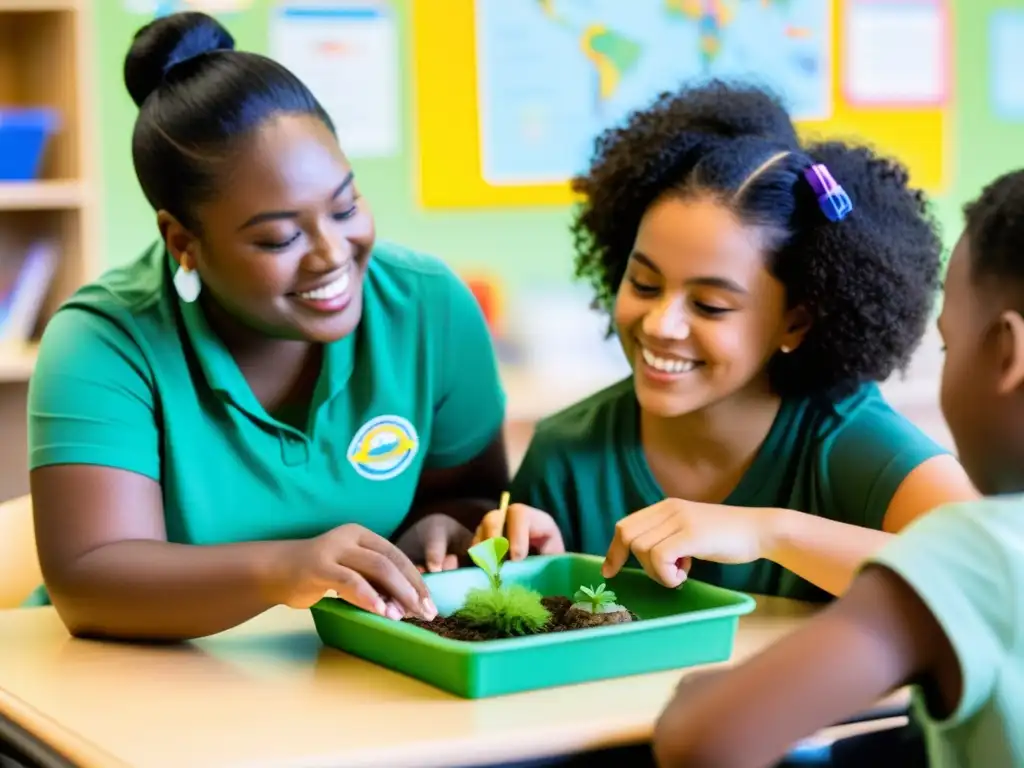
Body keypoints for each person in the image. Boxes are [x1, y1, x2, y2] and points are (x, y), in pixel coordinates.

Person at [25, 12, 508, 641]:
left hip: (351, 675)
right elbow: (89, 581)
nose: (333, 253)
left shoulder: (427, 306)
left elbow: (470, 497)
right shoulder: (104, 342)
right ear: (183, 240)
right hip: (134, 686)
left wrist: (444, 527)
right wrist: (286, 568)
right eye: (280, 237)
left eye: (345, 206)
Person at [474, 81, 976, 600]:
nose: (660, 324)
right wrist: (544, 571)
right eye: (644, 284)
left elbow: (994, 573)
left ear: (796, 323)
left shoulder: (850, 443)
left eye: (710, 305)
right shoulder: (567, 454)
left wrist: (769, 533)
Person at [650, 167, 1024, 768]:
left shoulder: (977, 553)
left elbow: (706, 742)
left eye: (950, 345)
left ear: (1007, 355)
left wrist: (701, 698)